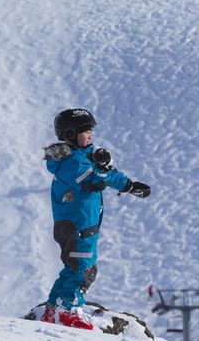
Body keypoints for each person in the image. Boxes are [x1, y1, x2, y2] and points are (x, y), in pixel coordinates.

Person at [42, 108, 151, 329]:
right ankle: (68, 311)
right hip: (78, 225)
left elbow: (106, 174)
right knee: (84, 269)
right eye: (85, 131)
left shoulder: (81, 156)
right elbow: (94, 181)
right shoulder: (72, 162)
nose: (90, 135)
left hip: (78, 223)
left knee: (73, 268)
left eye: (91, 130)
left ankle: (53, 309)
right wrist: (102, 169)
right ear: (70, 134)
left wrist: (128, 185)